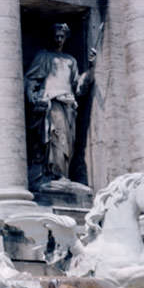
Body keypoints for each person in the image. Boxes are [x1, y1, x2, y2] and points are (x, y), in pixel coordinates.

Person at [24, 22, 96, 189]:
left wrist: (91, 67)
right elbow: (30, 79)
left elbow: (79, 86)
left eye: (61, 37)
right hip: (53, 102)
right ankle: (54, 174)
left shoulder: (71, 60)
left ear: (66, 38)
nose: (58, 39)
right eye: (56, 36)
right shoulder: (44, 56)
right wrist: (34, 98)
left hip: (69, 104)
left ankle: (63, 173)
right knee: (56, 138)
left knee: (68, 141)